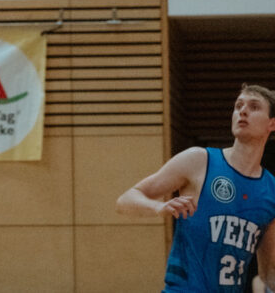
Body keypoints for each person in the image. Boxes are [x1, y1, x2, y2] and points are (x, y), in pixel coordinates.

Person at [116, 84, 275, 292]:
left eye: (254, 107)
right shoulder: (199, 160)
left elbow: (269, 272)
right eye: (238, 106)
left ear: (271, 124)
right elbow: (125, 199)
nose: (242, 111)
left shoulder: (271, 189)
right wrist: (158, 207)